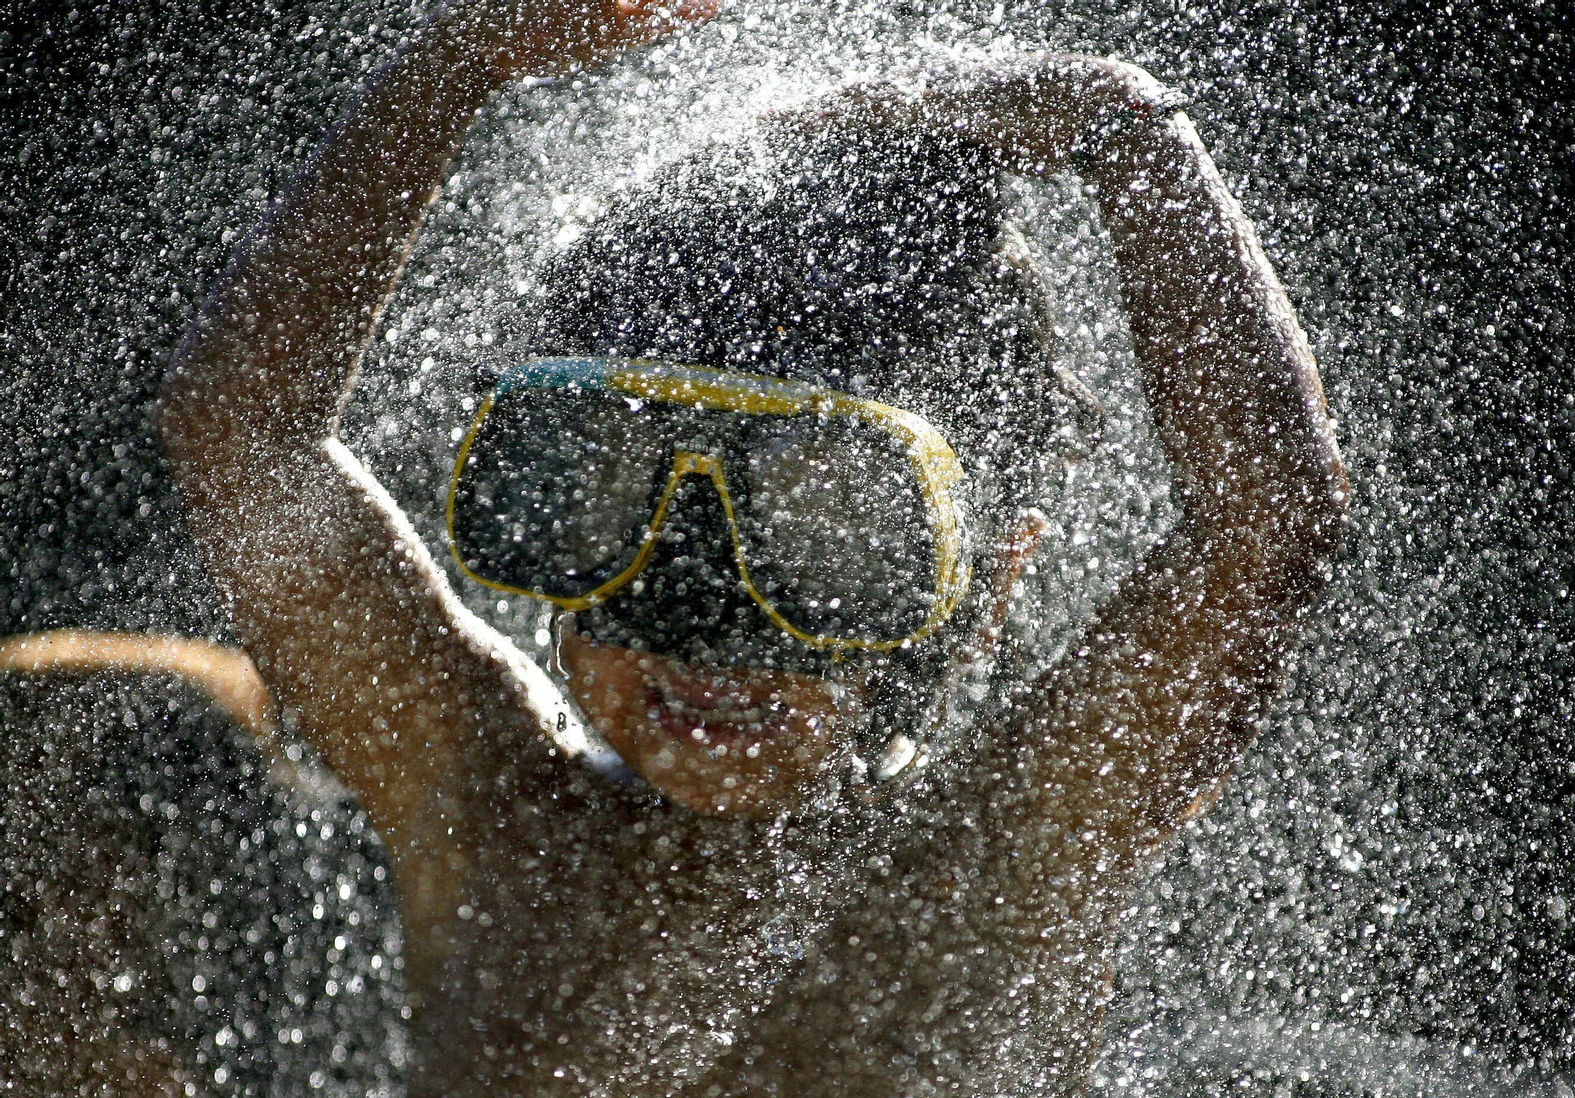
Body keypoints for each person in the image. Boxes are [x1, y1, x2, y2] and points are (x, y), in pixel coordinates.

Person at [158, 0, 1348, 1093]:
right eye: (623, 508)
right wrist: (454, 65)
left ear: (989, 584)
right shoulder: (495, 809)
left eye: (827, 540)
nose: (707, 618)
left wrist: (1127, 126)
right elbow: (239, 437)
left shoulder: (1010, 854)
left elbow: (1266, 525)